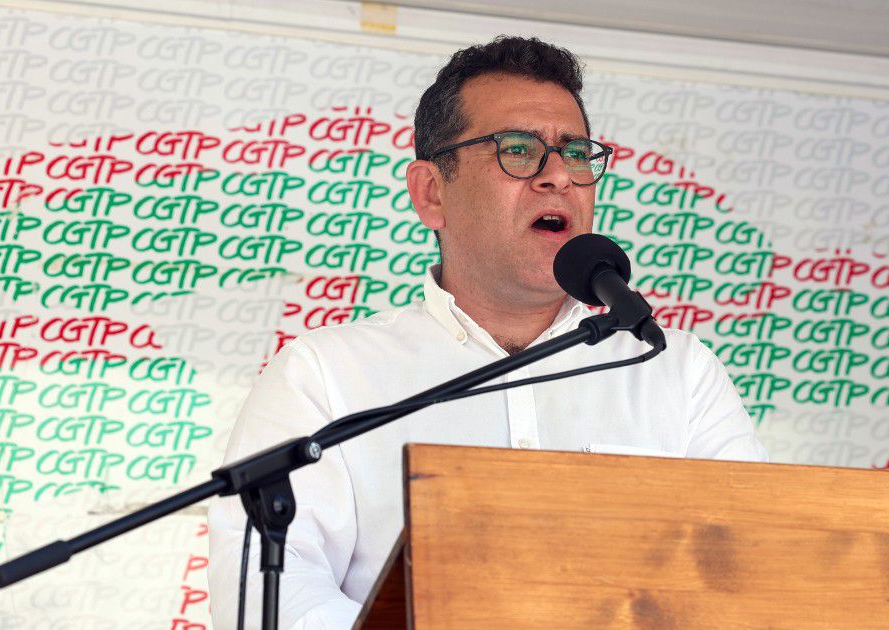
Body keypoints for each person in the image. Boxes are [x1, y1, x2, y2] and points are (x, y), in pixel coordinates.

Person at [207, 36, 766, 628]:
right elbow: (270, 597)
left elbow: (756, 567)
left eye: (576, 152)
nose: (559, 176)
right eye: (519, 150)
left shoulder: (675, 369)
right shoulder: (326, 376)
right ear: (432, 192)